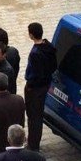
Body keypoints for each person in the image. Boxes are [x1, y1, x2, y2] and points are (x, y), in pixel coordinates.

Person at [23, 23, 57, 151]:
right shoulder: (49, 46)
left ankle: (33, 144)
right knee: (37, 114)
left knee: (33, 116)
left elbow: (35, 74)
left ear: (31, 34)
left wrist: (30, 86)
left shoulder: (35, 53)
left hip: (35, 88)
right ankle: (34, 141)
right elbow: (53, 66)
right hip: (45, 85)